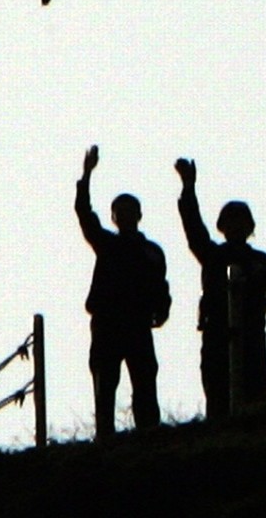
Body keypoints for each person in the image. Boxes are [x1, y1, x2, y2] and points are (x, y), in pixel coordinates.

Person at [174, 157, 266, 419]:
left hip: (253, 337)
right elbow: (194, 230)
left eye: (240, 221)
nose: (235, 226)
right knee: (219, 403)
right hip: (217, 337)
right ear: (222, 228)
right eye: (230, 222)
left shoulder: (260, 261)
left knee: (257, 402)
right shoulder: (213, 256)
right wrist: (188, 187)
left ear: (250, 227)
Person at [75, 145, 170, 438]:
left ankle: (149, 432)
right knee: (105, 382)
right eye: (119, 212)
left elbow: (161, 286)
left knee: (144, 381)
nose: (124, 216)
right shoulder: (107, 243)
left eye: (129, 211)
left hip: (139, 323)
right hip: (107, 323)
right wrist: (86, 176)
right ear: (114, 218)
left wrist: (162, 311)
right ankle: (105, 436)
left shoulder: (151, 251)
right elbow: (84, 213)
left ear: (139, 215)